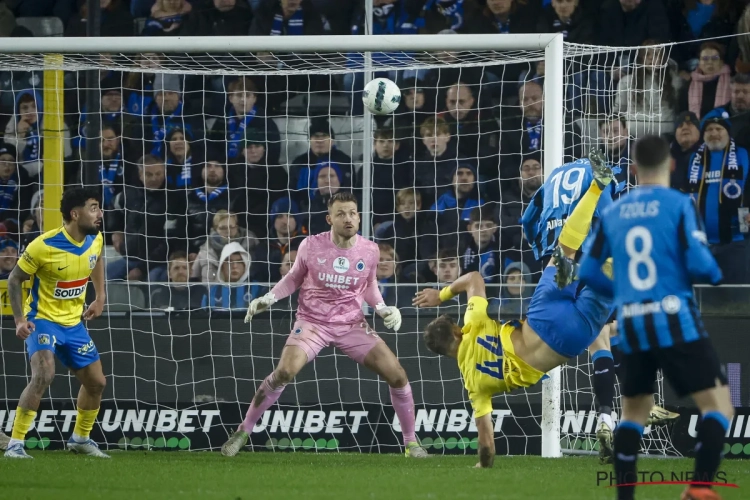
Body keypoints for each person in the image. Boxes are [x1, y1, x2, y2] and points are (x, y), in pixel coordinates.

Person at [578, 135, 731, 500]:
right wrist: (710, 272)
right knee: (719, 406)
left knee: (633, 413)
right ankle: (700, 486)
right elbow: (703, 267)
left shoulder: (613, 212)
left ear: (633, 169)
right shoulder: (679, 204)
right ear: (671, 165)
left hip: (633, 324)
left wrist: (621, 292)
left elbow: (587, 270)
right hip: (675, 319)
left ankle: (625, 496)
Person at [221, 192, 428, 459]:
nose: (348, 218)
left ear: (359, 217)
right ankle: (243, 431)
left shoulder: (370, 250)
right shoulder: (311, 245)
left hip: (351, 324)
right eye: (341, 214)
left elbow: (369, 285)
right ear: (329, 219)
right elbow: (294, 278)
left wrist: (382, 308)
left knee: (398, 375)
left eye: (352, 213)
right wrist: (269, 298)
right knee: (284, 372)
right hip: (313, 322)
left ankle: (411, 443)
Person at [4, 188, 108, 459]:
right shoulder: (44, 245)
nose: (100, 213)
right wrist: (19, 320)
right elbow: (15, 279)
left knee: (97, 383)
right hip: (42, 320)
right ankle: (15, 444)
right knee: (44, 374)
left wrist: (100, 297)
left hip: (74, 324)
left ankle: (80, 439)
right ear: (75, 214)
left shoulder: (95, 239)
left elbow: (97, 259)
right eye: (94, 208)